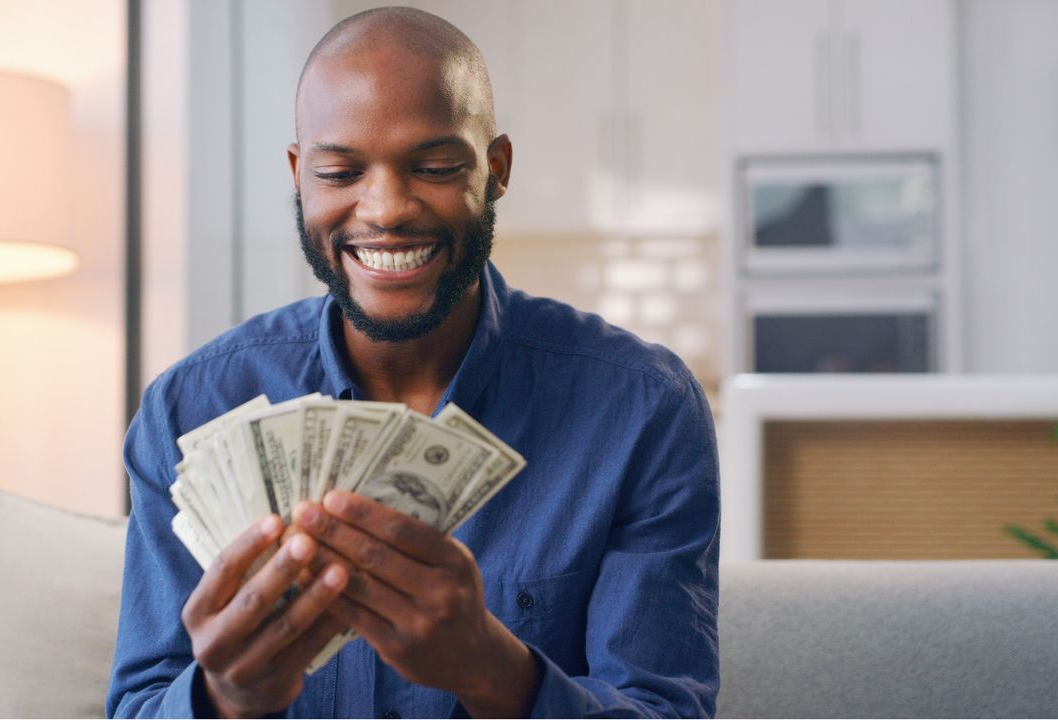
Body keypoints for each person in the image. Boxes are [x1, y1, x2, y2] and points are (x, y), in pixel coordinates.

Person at [107, 6, 719, 718]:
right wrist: (224, 698)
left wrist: (495, 670)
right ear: (299, 176)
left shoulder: (642, 410)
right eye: (340, 171)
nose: (386, 209)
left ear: (496, 170)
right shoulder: (190, 411)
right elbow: (140, 704)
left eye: (433, 167)